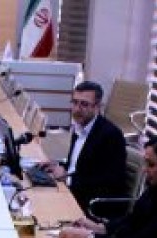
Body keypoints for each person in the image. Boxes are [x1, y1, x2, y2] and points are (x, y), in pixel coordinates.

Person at [39, 81, 126, 213]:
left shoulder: (110, 135)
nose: (77, 109)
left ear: (97, 107)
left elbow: (109, 181)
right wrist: (56, 165)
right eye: (74, 102)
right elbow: (78, 165)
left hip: (91, 202)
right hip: (73, 191)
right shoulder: (80, 126)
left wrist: (68, 179)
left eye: (84, 104)